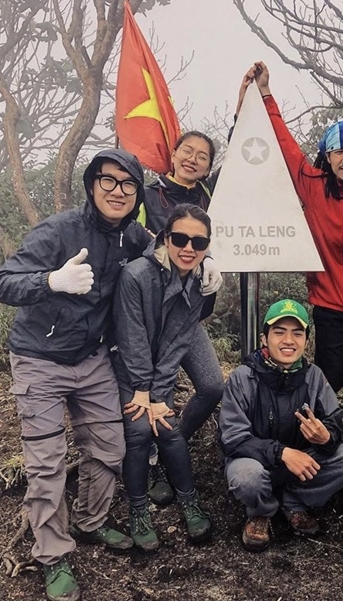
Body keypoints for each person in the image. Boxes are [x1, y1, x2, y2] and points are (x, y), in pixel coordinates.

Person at [0, 149, 151, 601]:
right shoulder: (59, 229)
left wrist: (200, 267)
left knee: (109, 447)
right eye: (108, 180)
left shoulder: (133, 237)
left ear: (137, 193)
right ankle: (52, 554)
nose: (117, 191)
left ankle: (90, 520)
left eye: (128, 184)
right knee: (46, 464)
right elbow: (4, 281)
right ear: (91, 184)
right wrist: (50, 281)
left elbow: (169, 250)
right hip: (38, 359)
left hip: (92, 358)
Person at [237, 61, 343, 393]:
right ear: (328, 157)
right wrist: (265, 93)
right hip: (330, 308)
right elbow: (286, 147)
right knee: (329, 384)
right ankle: (331, 441)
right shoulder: (313, 186)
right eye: (339, 152)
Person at [113, 203, 219, 551]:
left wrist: (159, 395)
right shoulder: (137, 275)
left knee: (168, 427)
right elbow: (132, 338)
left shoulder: (200, 282)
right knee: (140, 429)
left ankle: (188, 500)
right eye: (180, 238)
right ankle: (139, 510)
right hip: (131, 364)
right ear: (165, 237)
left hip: (161, 365)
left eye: (199, 242)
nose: (189, 248)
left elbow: (179, 341)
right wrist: (143, 389)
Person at [219, 299, 343, 552]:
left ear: (306, 340)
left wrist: (325, 436)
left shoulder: (313, 375)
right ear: (264, 339)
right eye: (279, 332)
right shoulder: (243, 377)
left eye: (297, 333)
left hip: (302, 462)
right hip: (258, 461)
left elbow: (335, 421)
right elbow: (233, 438)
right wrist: (281, 452)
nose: (288, 340)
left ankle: (294, 501)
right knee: (246, 477)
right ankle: (261, 511)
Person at [136, 130, 226, 507]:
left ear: (208, 166)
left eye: (202, 156)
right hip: (152, 313)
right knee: (161, 393)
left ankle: (174, 444)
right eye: (186, 150)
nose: (193, 159)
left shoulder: (211, 197)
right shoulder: (145, 194)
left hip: (191, 313)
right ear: (172, 154)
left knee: (212, 386)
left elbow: (242, 157)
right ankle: (156, 463)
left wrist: (243, 109)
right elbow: (132, 240)